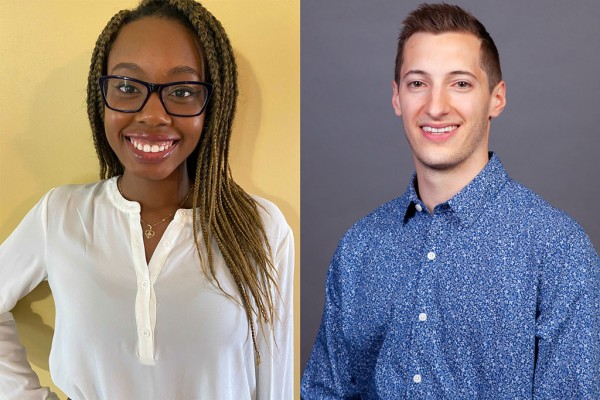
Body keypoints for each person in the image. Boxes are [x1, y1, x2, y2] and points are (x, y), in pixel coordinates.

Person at [301, 3, 599, 399]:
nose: (436, 106)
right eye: (417, 83)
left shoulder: (558, 250)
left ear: (497, 98)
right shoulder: (359, 248)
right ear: (396, 98)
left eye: (460, 83)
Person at [0, 0, 293, 399]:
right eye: (126, 87)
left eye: (183, 91)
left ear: (213, 106)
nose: (154, 115)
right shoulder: (61, 215)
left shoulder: (260, 228)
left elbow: (273, 382)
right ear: (99, 97)